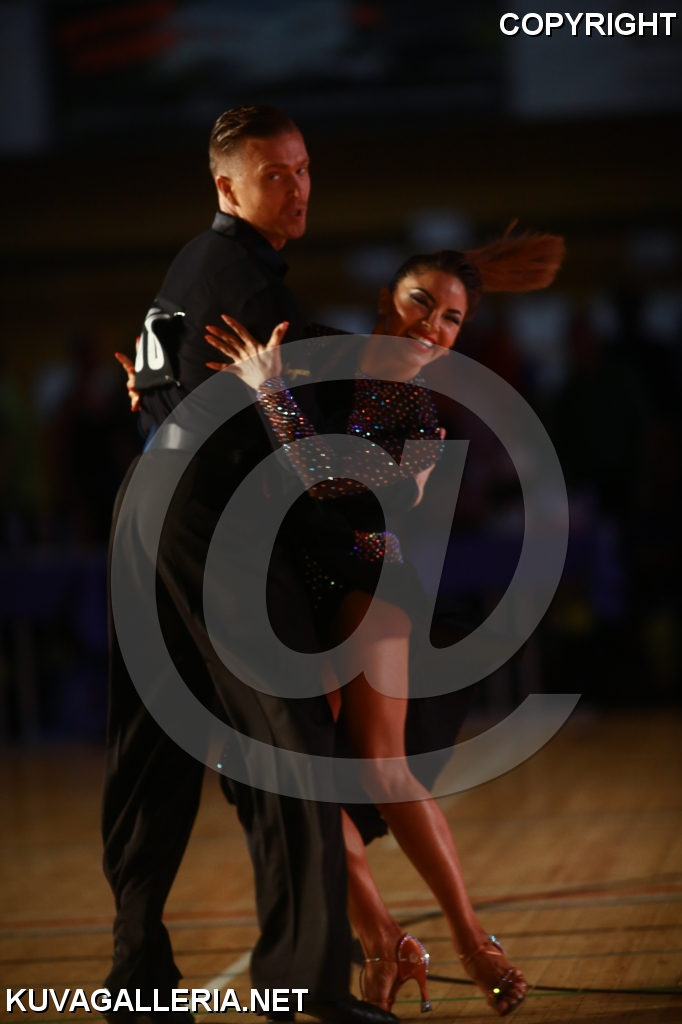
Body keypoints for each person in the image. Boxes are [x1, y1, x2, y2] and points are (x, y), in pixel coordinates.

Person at [204, 229, 565, 1017]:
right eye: (420, 304)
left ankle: (471, 939)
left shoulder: (418, 414)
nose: (432, 327)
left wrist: (269, 392)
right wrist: (156, 392)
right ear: (384, 300)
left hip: (368, 575)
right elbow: (223, 389)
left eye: (451, 319)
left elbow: (327, 484)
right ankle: (384, 940)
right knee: (299, 789)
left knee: (380, 766)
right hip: (286, 584)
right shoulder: (314, 348)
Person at [106, 105, 397, 1024]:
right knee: (292, 747)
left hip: (144, 508)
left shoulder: (189, 266)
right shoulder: (250, 289)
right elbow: (299, 456)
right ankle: (304, 985)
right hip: (207, 519)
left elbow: (150, 387)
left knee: (150, 752)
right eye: (276, 175)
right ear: (226, 185)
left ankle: (137, 984)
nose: (299, 188)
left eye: (304, 168)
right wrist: (354, 546)